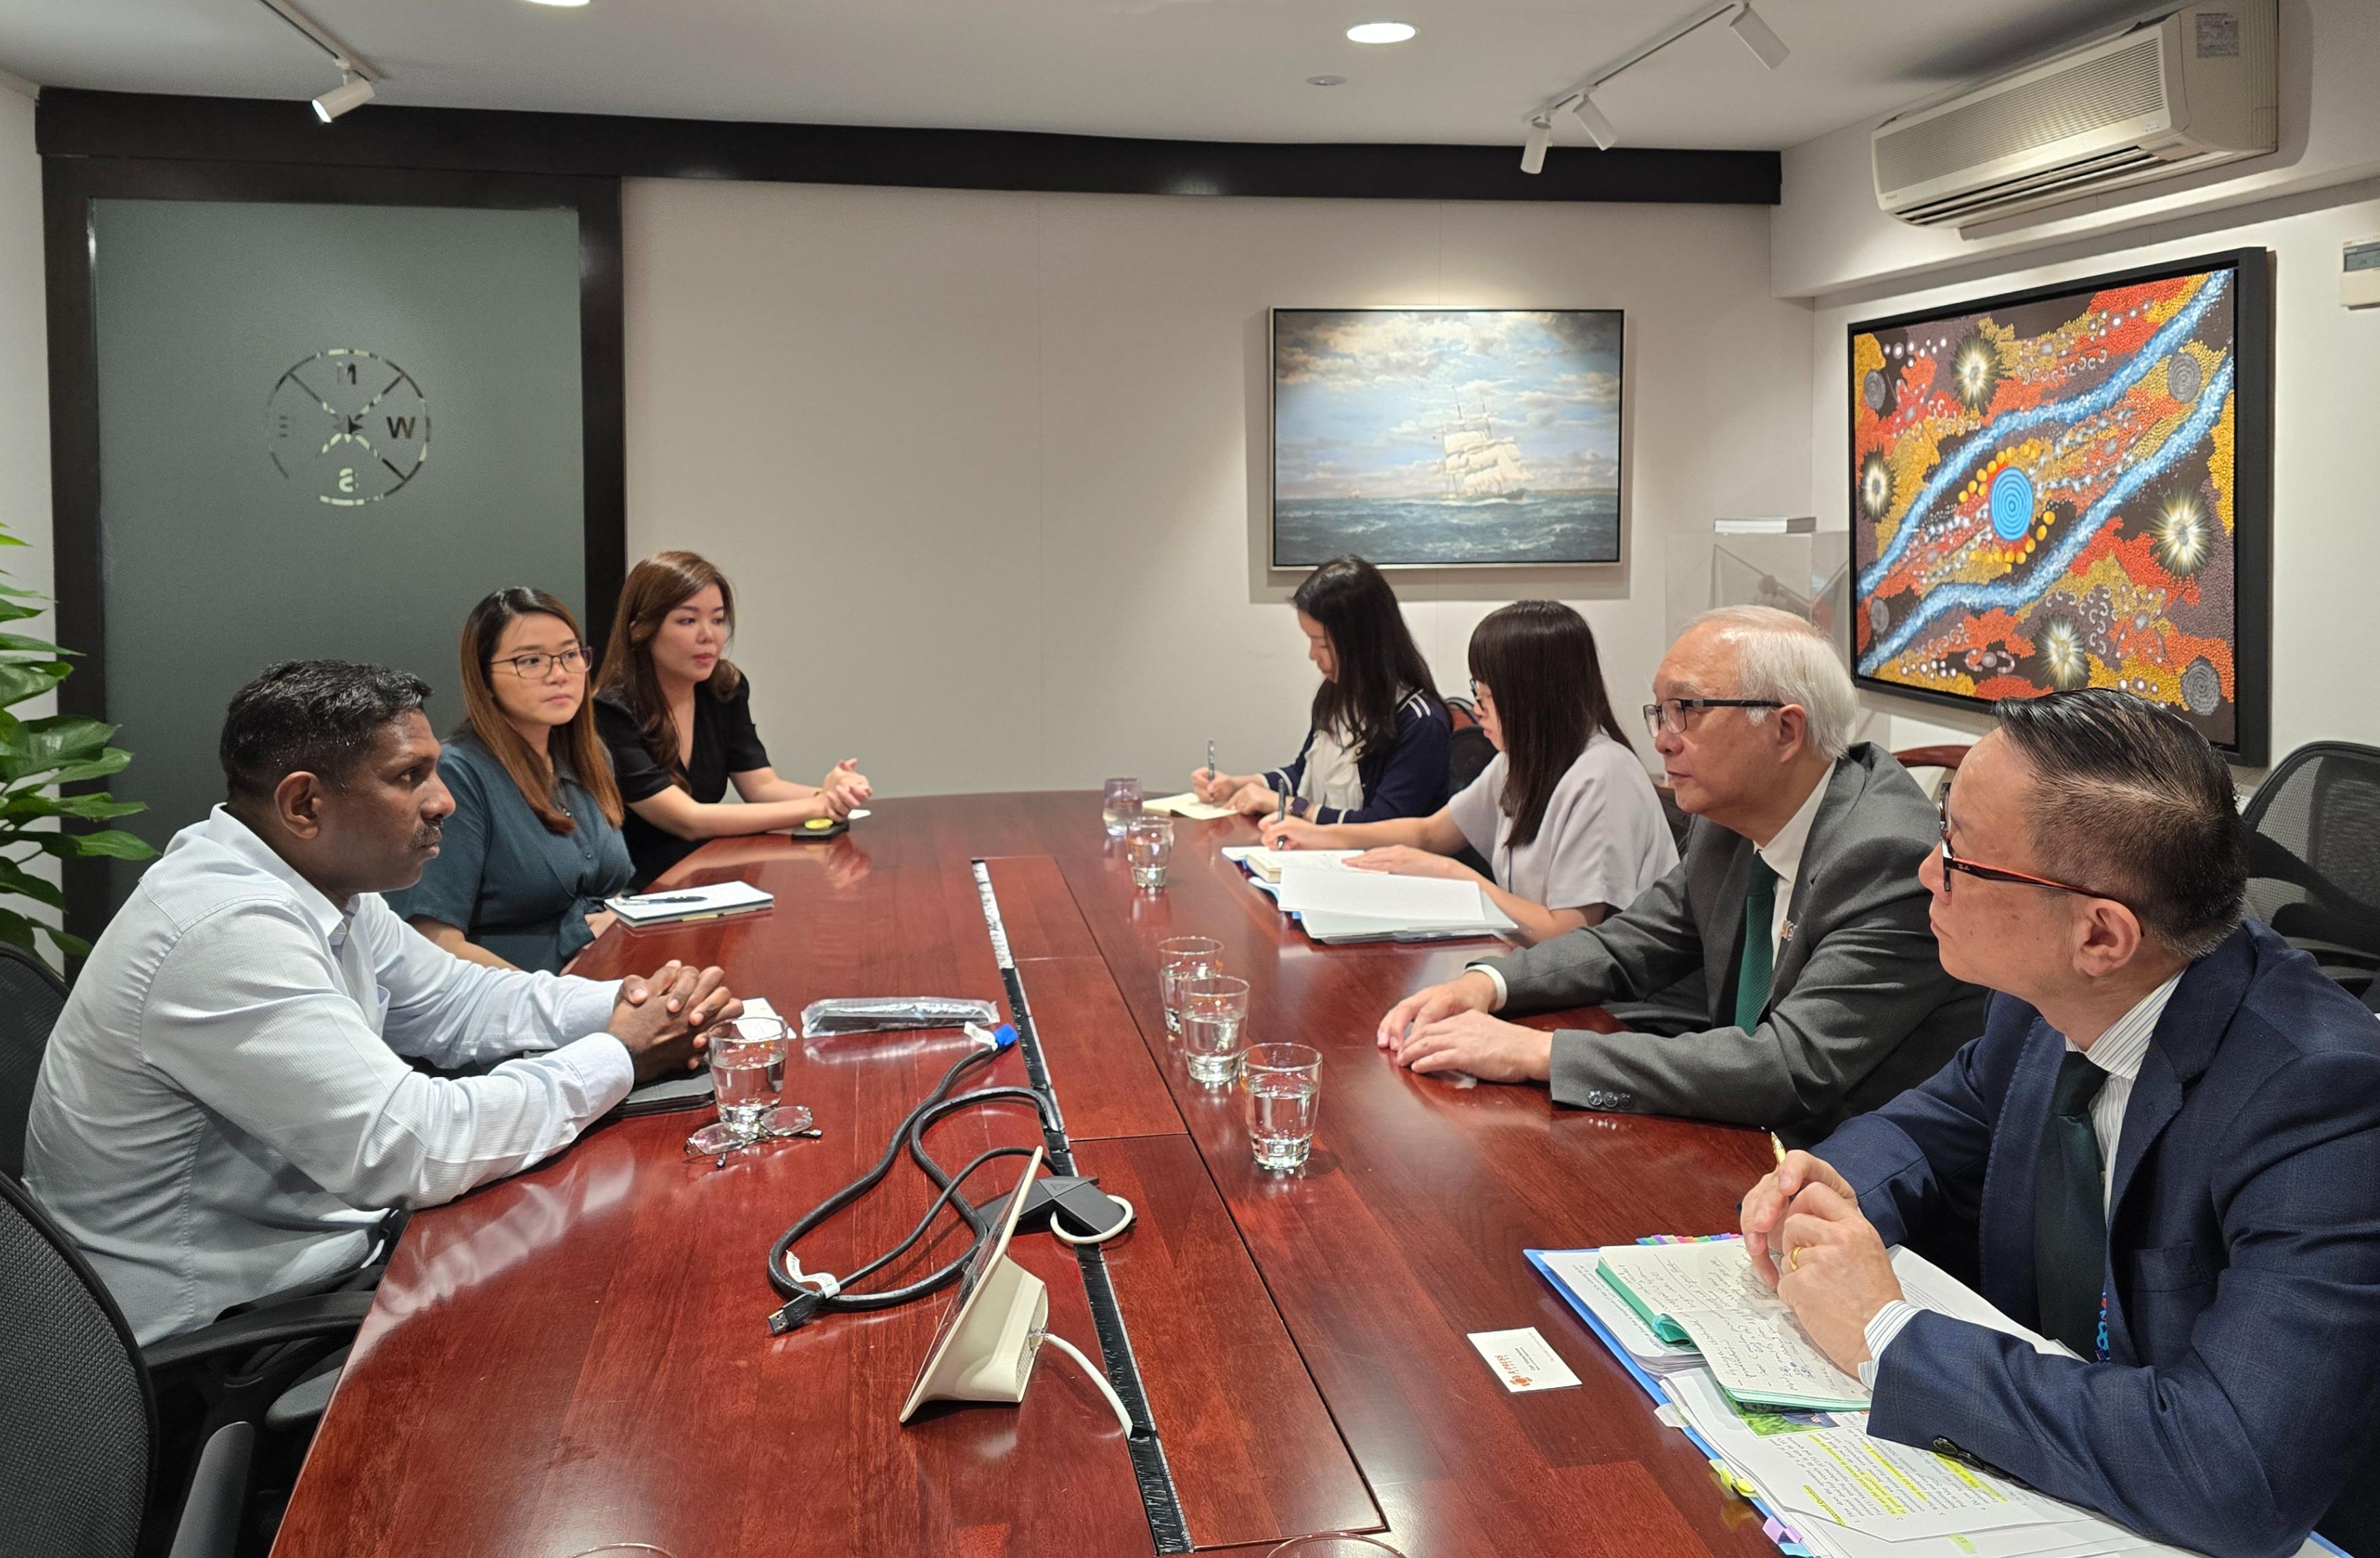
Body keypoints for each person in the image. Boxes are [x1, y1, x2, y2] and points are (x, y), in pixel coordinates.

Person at [1739, 689, 2380, 1558]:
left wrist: (1887, 1336)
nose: (1927, 871)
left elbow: (2232, 1471)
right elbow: (1933, 1125)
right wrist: (1831, 1193)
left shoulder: (2325, 1101)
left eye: (1958, 854)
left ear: (2100, 935)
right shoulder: (2047, 1002)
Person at [22, 660, 740, 1343]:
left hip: (319, 1265)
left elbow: (463, 1003)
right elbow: (411, 1146)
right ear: (305, 803)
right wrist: (621, 1051)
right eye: (410, 777)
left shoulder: (323, 884)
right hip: (222, 1334)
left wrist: (641, 1001)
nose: (444, 800)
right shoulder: (224, 931)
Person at [1376, 606, 1984, 1146]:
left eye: (1686, 710)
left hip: (1860, 1179)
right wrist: (1487, 984)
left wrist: (1541, 1051)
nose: (1662, 742)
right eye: (1659, 712)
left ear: (1784, 730)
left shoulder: (1886, 855)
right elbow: (1630, 942)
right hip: (1743, 1141)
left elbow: (1789, 1066)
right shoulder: (1728, 817)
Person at [1256, 600, 1675, 945]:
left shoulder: (1603, 775)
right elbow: (1431, 833)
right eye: (1477, 691)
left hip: (1616, 1004)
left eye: (1488, 696)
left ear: (1533, 700)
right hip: (1538, 967)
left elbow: (1567, 935)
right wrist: (1319, 835)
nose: (1476, 709)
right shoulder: (1521, 760)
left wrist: (1456, 876)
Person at [386, 588, 633, 973]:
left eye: (570, 655)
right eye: (531, 661)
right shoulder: (457, 773)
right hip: (518, 1002)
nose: (559, 675)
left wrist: (618, 918)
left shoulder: (591, 756)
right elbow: (434, 939)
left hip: (604, 973)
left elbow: (608, 882)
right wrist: (553, 1001)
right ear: (484, 678)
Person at [594, 550, 872, 886]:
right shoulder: (611, 711)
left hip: (709, 877)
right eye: (687, 620)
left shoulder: (724, 689)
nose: (708, 635)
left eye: (718, 619)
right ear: (641, 630)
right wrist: (818, 806)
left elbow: (762, 786)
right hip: (642, 893)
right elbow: (688, 819)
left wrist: (829, 794)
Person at [1191, 554, 1449, 825]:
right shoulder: (1335, 696)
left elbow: (1380, 825)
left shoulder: (1420, 723)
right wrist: (1240, 785)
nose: (1313, 655)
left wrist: (1289, 806)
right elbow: (1304, 773)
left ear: (1363, 642)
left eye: (1323, 644)